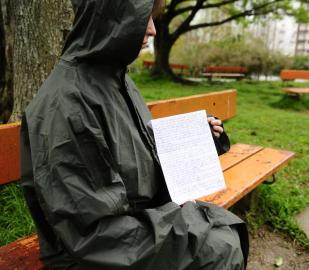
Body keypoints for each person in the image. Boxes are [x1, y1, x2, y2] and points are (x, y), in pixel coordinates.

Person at [20, 0, 249, 269]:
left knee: (222, 234)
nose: (152, 30)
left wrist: (200, 143)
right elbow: (93, 234)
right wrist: (193, 224)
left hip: (132, 227)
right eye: (142, 18)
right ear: (109, 18)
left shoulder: (116, 80)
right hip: (96, 252)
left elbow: (139, 160)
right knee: (220, 247)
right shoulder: (68, 105)